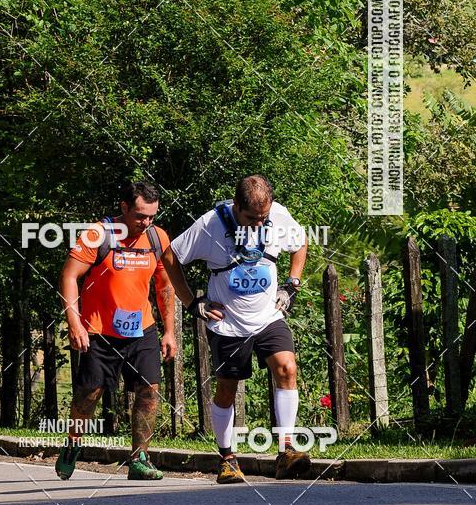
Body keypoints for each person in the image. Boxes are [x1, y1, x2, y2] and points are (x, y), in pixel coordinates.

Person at [161, 174, 309, 484]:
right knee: (227, 389)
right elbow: (170, 256)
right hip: (227, 323)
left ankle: (286, 451)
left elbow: (300, 241)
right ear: (236, 205)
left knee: (287, 367)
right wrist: (192, 303)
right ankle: (227, 458)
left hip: (268, 315)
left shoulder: (278, 215)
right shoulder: (210, 224)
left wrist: (291, 284)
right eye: (251, 217)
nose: (258, 223)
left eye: (263, 218)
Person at [55, 180, 175, 481]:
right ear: (124, 208)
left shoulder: (158, 238)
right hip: (99, 329)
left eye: (151, 216)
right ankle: (73, 442)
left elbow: (164, 286)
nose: (145, 223)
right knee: (89, 395)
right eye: (139, 216)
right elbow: (69, 276)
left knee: (149, 391)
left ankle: (139, 459)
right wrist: (75, 322)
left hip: (142, 328)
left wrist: (169, 330)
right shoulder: (99, 234)